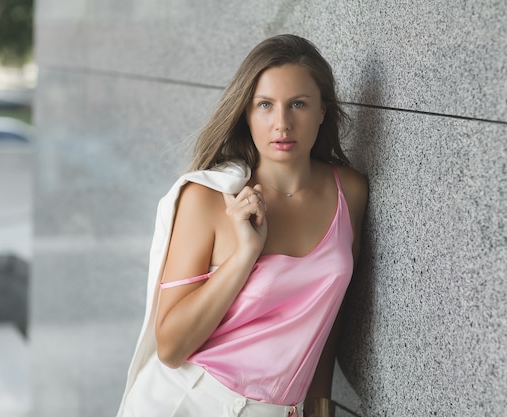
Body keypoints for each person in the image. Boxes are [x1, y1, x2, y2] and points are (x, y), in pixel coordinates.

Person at [117, 34, 368, 417]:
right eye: (265, 105)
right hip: (185, 401)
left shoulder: (348, 191)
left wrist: (320, 408)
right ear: (246, 113)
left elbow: (327, 316)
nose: (282, 123)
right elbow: (170, 347)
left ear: (322, 111)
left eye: (298, 104)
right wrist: (245, 253)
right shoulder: (208, 199)